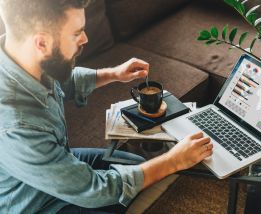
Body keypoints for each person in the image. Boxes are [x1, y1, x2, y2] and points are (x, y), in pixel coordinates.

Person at [0, 0, 213, 213]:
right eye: (76, 33)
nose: (85, 39)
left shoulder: (21, 55)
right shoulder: (17, 126)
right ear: (42, 43)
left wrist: (114, 74)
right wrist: (174, 161)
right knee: (117, 193)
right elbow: (95, 190)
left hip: (56, 162)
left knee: (134, 166)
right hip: (34, 204)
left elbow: (63, 80)